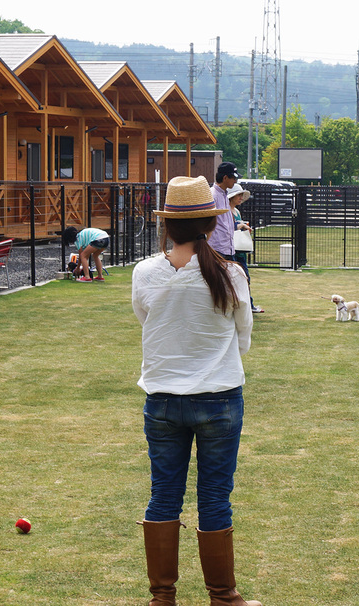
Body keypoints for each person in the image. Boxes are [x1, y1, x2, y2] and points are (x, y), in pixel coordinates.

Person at [131, 175, 260, 606]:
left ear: (166, 225)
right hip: (219, 396)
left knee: (163, 495)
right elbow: (243, 337)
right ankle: (223, 596)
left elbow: (146, 321)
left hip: (163, 398)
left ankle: (162, 597)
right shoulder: (229, 273)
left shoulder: (145, 272)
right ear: (210, 225)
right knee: (214, 496)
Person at [228, 183, 264, 314]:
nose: (241, 198)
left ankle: (248, 304)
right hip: (233, 249)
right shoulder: (227, 211)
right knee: (240, 278)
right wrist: (239, 227)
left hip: (240, 250)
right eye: (238, 195)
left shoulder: (236, 211)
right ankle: (247, 304)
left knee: (245, 278)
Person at [208, 161, 240, 262]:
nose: (235, 181)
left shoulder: (225, 195)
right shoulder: (212, 195)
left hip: (227, 249)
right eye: (234, 178)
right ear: (225, 178)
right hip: (217, 249)